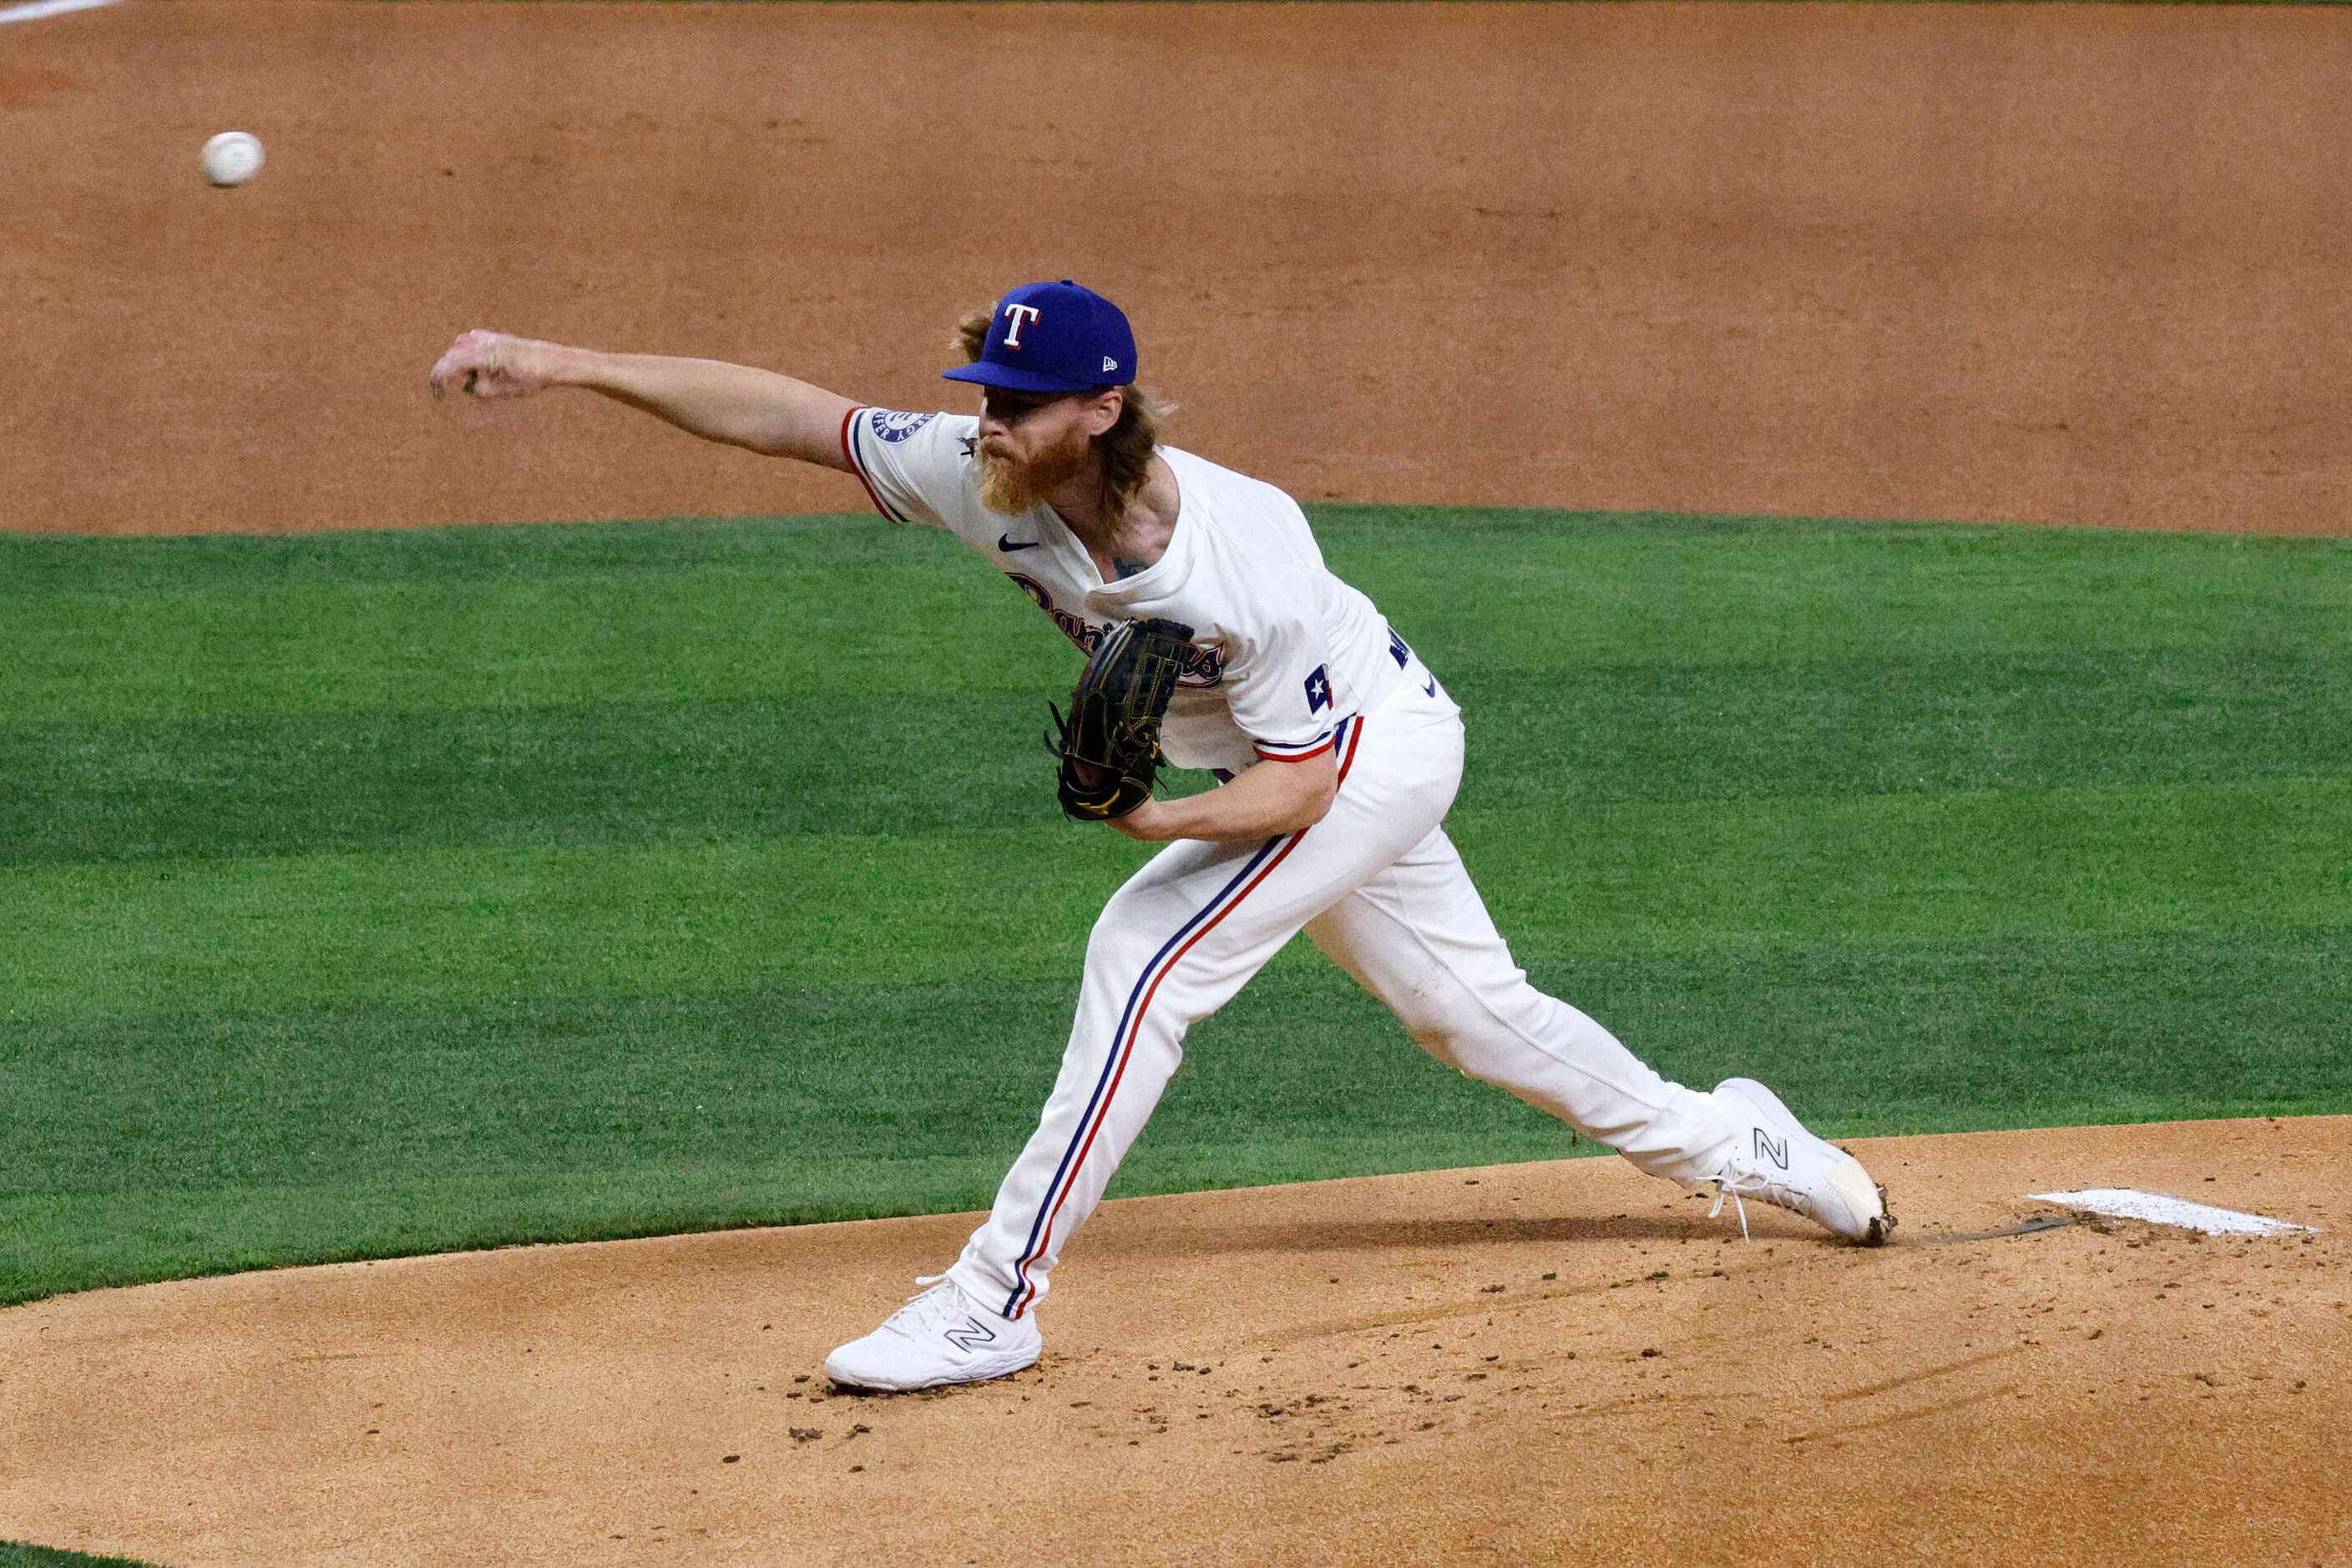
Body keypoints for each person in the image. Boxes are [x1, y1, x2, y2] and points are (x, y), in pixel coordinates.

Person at [427, 280, 1891, 1393]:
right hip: (1292, 761)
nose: (981, 421)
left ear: (1103, 409)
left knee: (1143, 954)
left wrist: (1146, 815)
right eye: (982, 394)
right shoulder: (981, 474)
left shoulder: (1237, 553)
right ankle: (1733, 1135)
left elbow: (1305, 785)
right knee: (1469, 1017)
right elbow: (792, 414)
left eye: (1015, 401)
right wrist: (567, 365)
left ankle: (993, 1299)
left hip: (1362, 752)